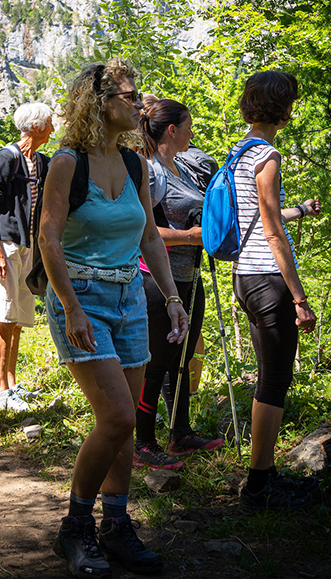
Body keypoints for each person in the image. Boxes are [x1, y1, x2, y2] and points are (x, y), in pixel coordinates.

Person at [39, 61, 189, 578]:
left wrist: (170, 296)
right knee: (120, 417)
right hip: (79, 298)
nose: (139, 103)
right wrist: (73, 306)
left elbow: (149, 236)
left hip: (129, 297)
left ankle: (116, 525)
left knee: (122, 426)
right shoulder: (66, 162)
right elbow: (48, 239)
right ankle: (75, 527)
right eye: (130, 96)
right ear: (99, 102)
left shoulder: (134, 164)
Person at [231, 71, 320, 511]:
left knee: (270, 376)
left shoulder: (238, 152)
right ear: (283, 107)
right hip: (268, 279)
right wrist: (300, 298)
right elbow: (272, 230)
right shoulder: (266, 155)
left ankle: (261, 473)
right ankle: (258, 486)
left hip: (244, 277)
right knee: (274, 380)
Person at [135, 98, 224, 470]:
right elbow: (144, 229)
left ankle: (180, 433)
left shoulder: (184, 167)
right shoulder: (150, 172)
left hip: (189, 276)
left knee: (182, 357)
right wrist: (191, 236)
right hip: (156, 279)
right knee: (155, 360)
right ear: (171, 130)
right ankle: (142, 441)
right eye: (187, 125)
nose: (192, 131)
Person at [0, 102, 53, 412]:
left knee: (18, 319)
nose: (53, 127)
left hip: (28, 246)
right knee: (4, 317)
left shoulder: (41, 161)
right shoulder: (7, 158)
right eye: (49, 123)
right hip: (6, 245)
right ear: (35, 127)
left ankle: (11, 384)